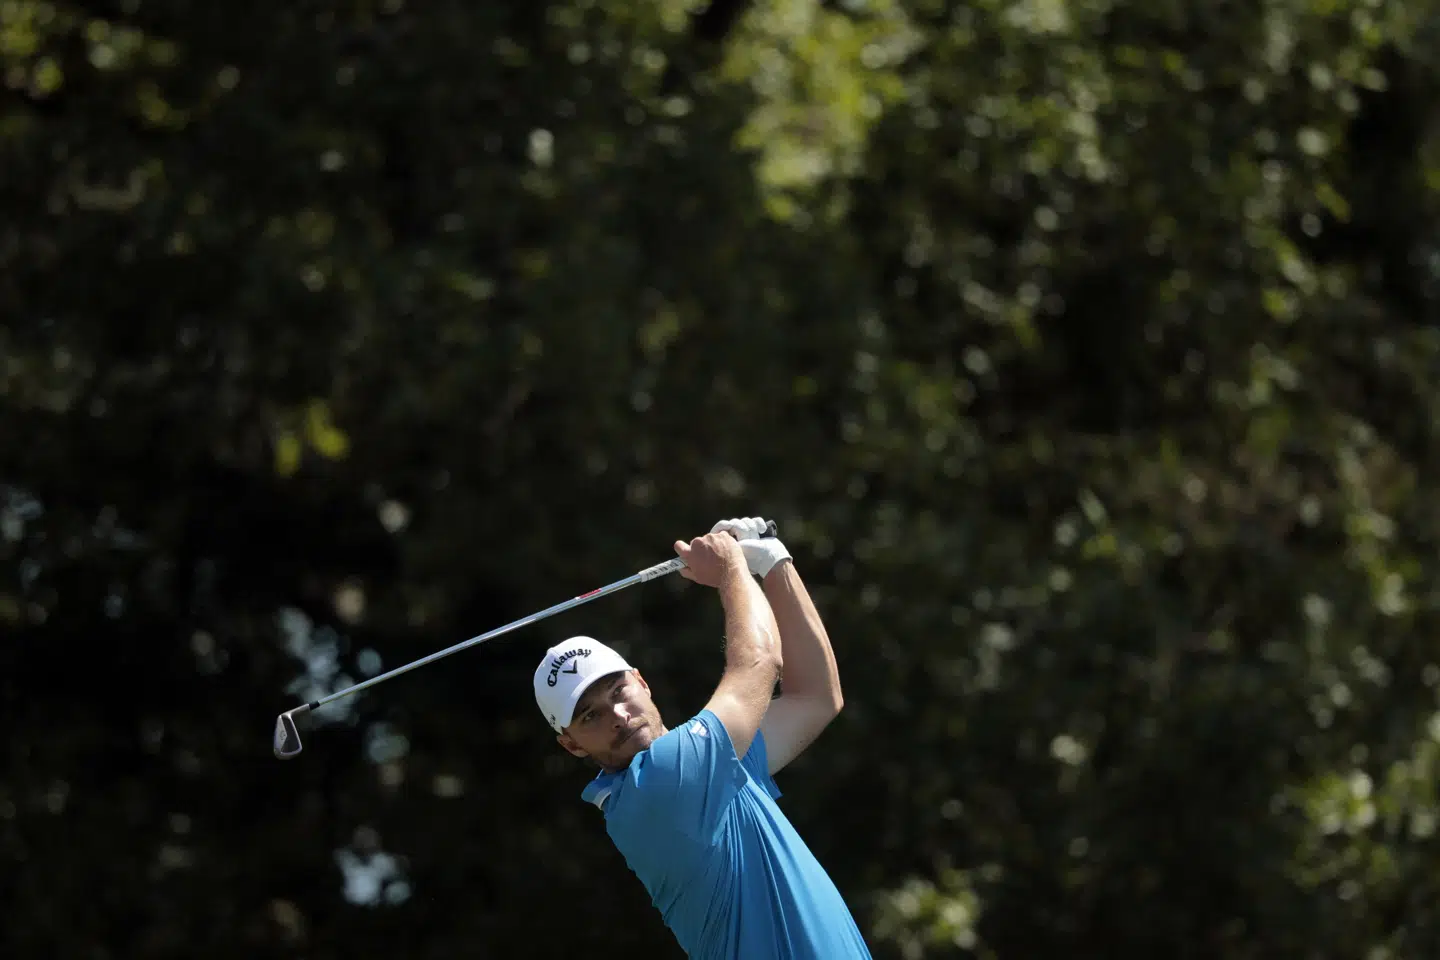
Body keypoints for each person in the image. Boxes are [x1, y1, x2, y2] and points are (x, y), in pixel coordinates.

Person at [532, 517, 872, 959]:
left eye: (618, 691)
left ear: (642, 682)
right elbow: (758, 662)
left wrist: (773, 563)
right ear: (572, 745)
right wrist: (732, 567)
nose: (618, 715)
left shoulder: (711, 767)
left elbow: (815, 697)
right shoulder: (659, 783)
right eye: (590, 715)